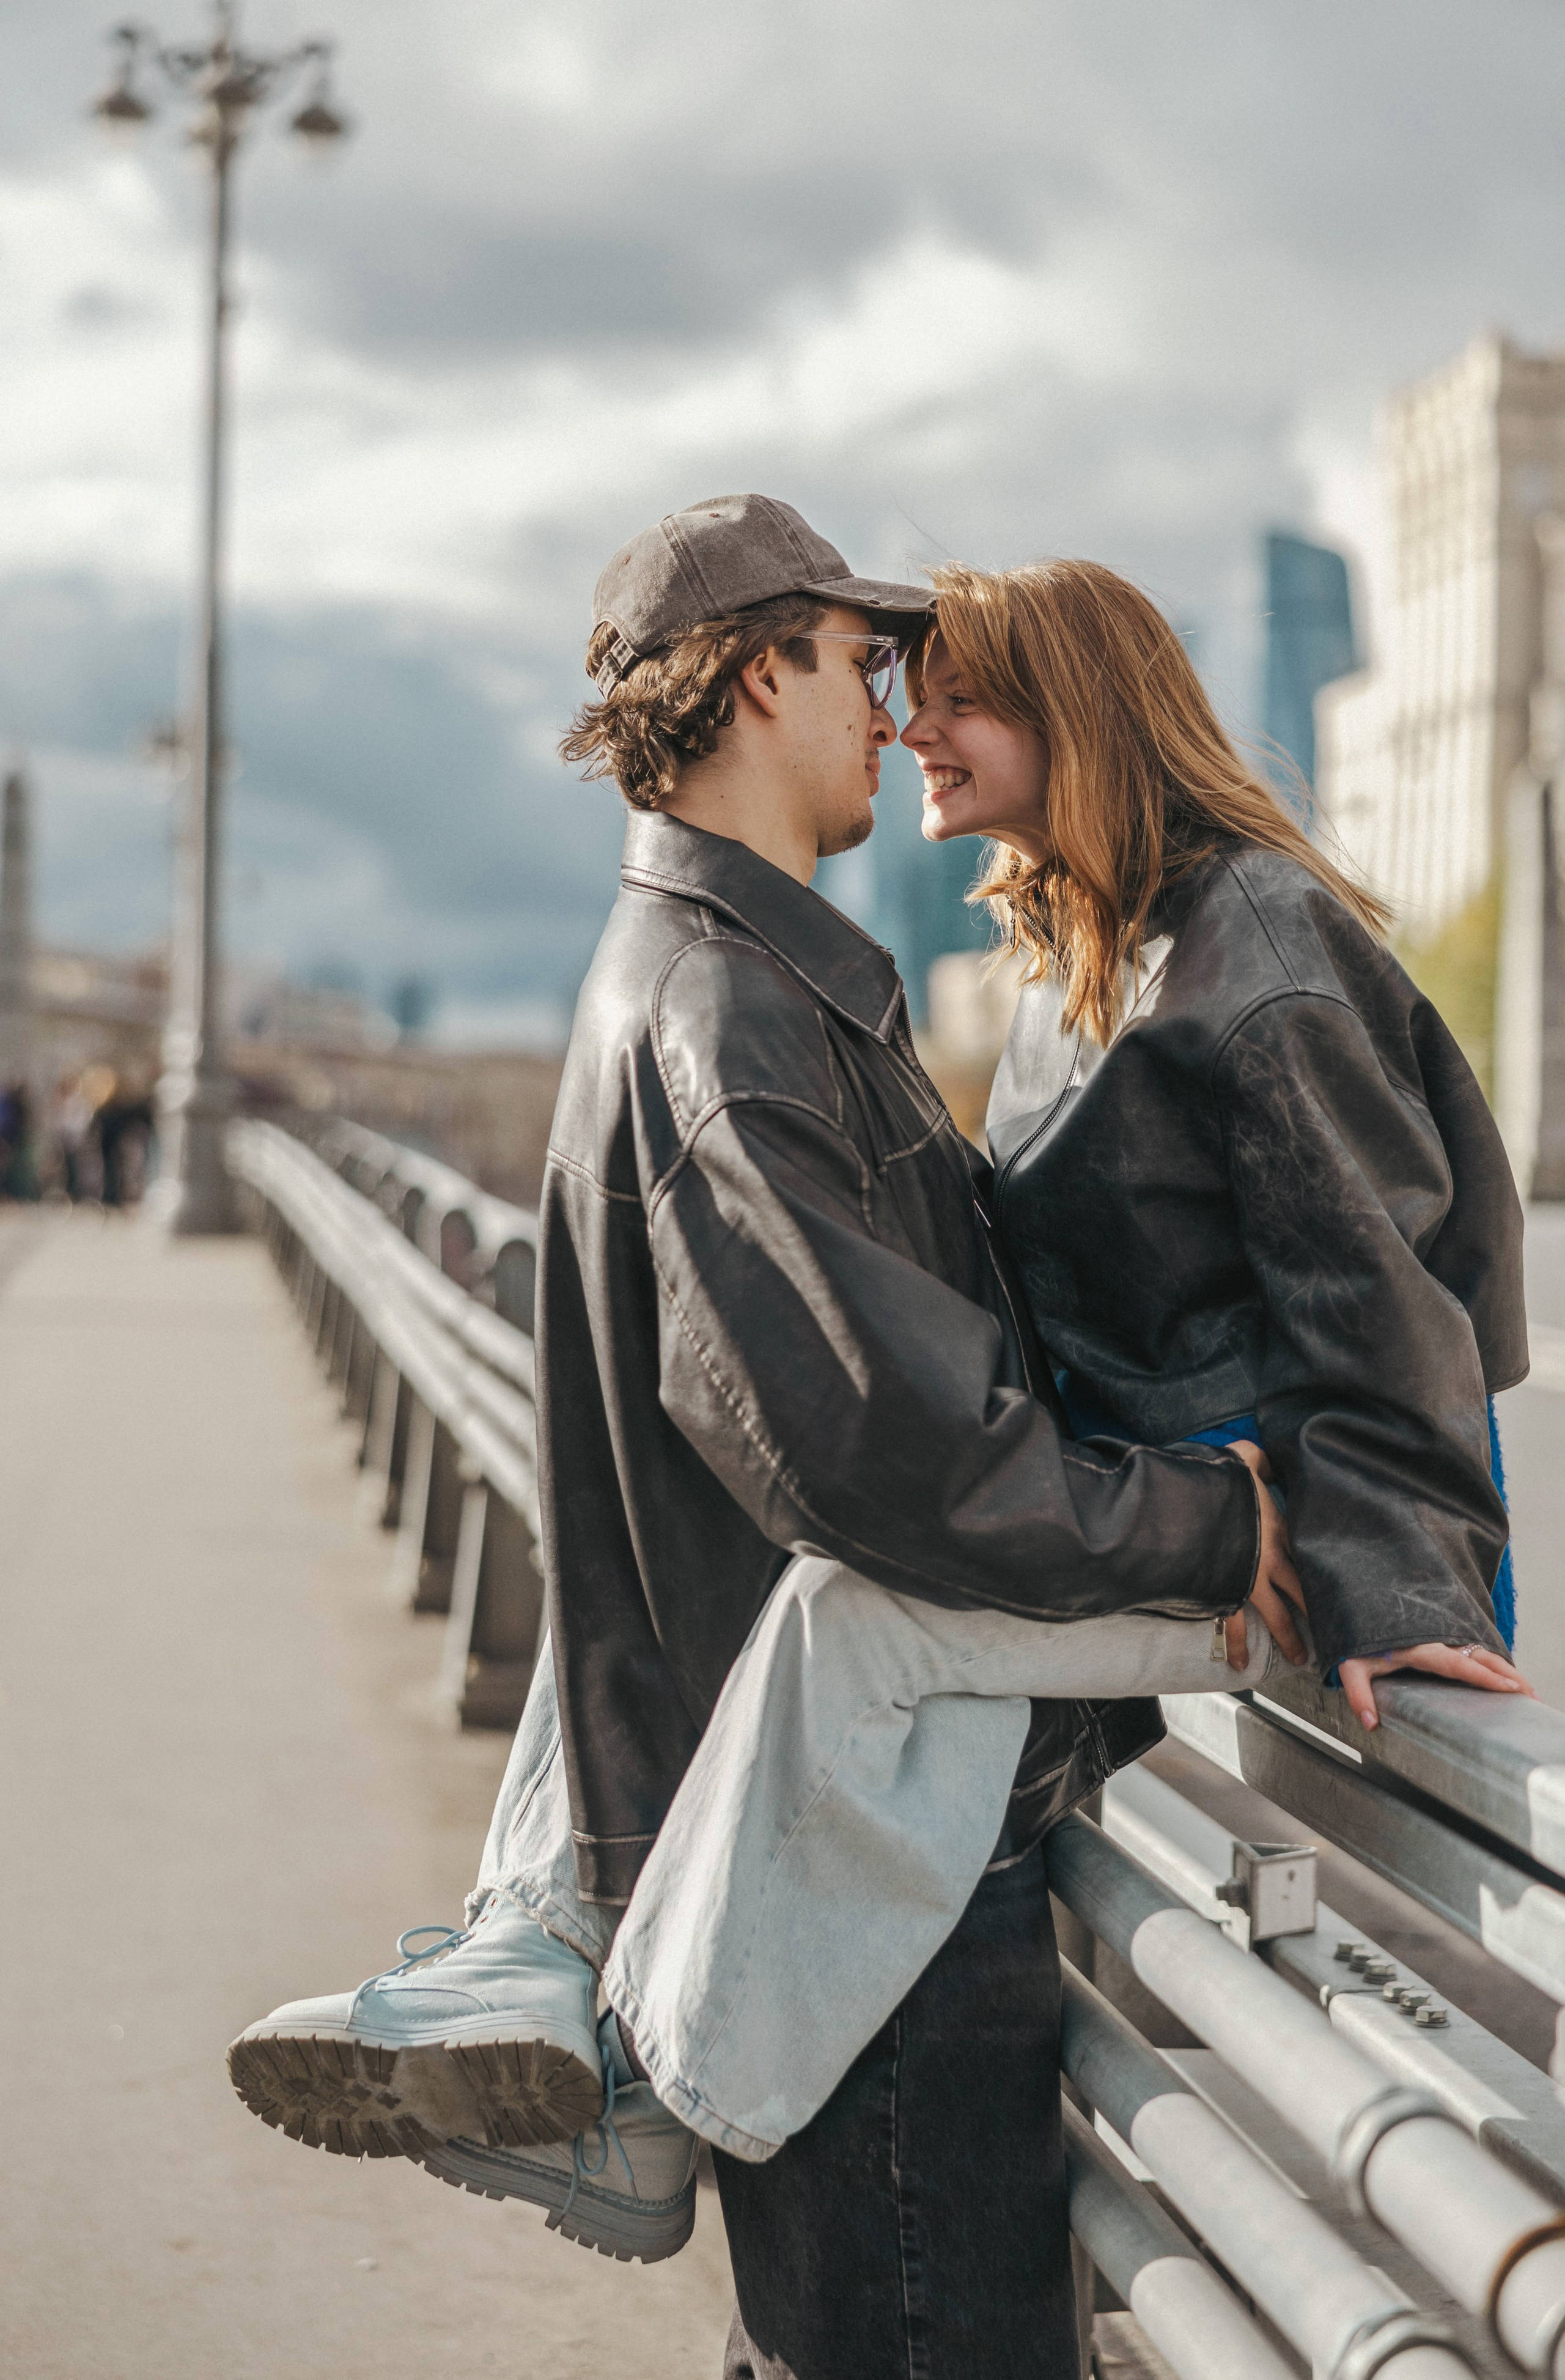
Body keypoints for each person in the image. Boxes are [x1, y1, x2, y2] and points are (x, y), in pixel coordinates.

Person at [230, 495, 1297, 2378]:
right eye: (861, 664)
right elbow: (891, 1457)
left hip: (815, 1820)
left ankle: (544, 1979)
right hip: (863, 1861)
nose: (894, 714)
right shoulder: (730, 1021)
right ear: (756, 673)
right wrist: (1214, 1529)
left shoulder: (735, 984)